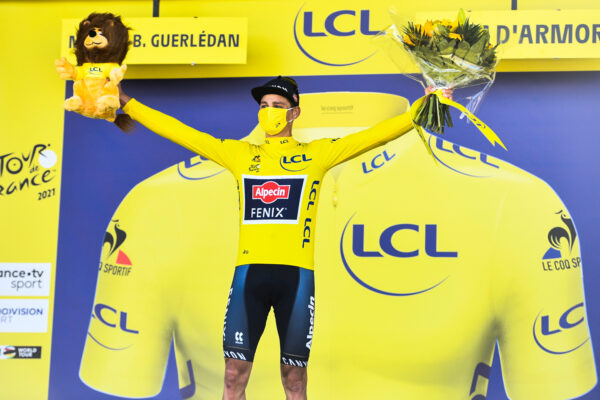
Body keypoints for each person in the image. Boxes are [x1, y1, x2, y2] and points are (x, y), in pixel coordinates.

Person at [116, 77, 451, 400]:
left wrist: (425, 105)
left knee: (294, 379)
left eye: (277, 105)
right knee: (232, 375)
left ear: (295, 112)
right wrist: (127, 103)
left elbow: (375, 137)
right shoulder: (240, 154)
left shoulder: (317, 155)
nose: (269, 111)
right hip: (249, 277)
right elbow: (180, 132)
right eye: (263, 105)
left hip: (296, 280)